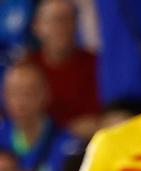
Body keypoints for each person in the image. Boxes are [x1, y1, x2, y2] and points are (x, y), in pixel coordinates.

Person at [0, 62, 80, 171]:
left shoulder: (68, 145)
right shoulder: (2, 138)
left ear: (45, 95)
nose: (20, 102)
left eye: (28, 93)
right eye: (13, 93)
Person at [25, 0, 101, 138]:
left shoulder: (95, 64)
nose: (61, 27)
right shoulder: (26, 69)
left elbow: (104, 118)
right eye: (55, 20)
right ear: (37, 26)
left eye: (69, 19)